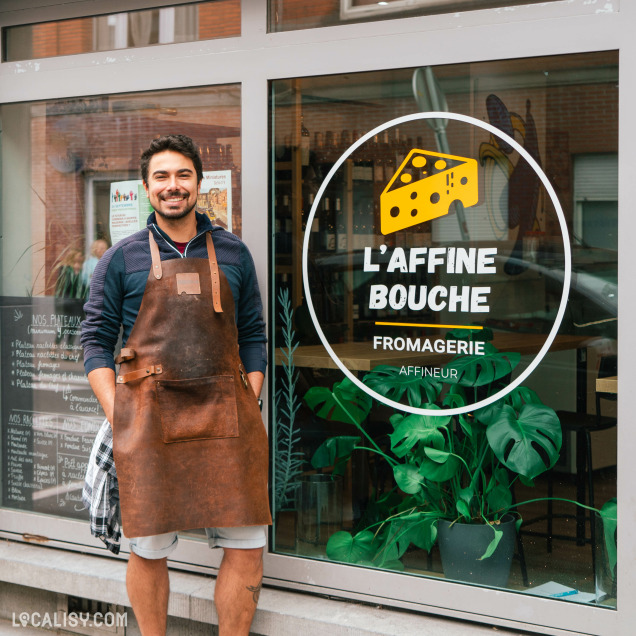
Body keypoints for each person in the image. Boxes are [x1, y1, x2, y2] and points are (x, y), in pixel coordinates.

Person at [81, 134, 271, 635]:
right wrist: (119, 414)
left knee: (248, 546)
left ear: (199, 183)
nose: (173, 186)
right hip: (149, 420)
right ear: (146, 188)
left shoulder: (234, 253)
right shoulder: (120, 259)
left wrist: (248, 398)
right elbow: (95, 341)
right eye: (162, 177)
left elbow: (253, 334)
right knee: (148, 548)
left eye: (183, 175)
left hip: (228, 419)